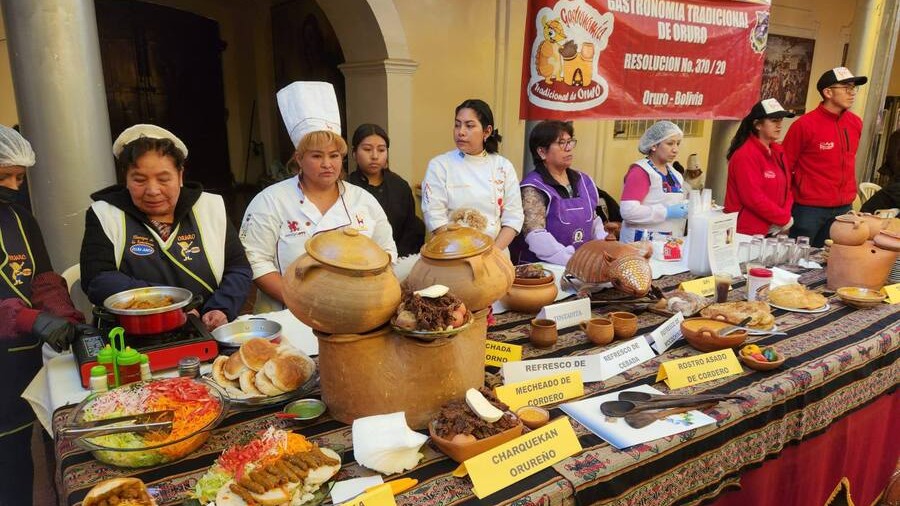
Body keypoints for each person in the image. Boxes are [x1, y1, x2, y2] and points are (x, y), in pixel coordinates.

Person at [241, 82, 397, 312]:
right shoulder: (270, 201)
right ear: (299, 158)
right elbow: (255, 260)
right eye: (316, 156)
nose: (327, 164)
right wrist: (299, 300)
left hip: (357, 310)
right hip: (288, 312)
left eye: (334, 155)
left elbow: (387, 252)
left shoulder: (362, 201)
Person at [80, 124, 251, 331]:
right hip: (133, 334)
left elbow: (238, 268)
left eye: (163, 179)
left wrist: (221, 308)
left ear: (180, 176)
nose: (152, 190)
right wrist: (171, 305)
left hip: (208, 330)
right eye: (140, 180)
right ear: (126, 178)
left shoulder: (210, 207)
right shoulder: (105, 214)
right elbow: (97, 279)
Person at [0, 125, 89, 506]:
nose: (14, 186)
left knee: (16, 461)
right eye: (4, 176)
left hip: (17, 368)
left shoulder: (21, 219)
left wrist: (63, 315)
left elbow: (45, 280)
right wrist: (27, 319)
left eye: (18, 177)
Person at [783, 66, 868, 247]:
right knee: (796, 263)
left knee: (829, 263)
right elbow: (784, 167)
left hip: (844, 208)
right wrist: (786, 207)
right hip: (809, 209)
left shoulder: (855, 123)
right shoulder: (804, 125)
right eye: (846, 88)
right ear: (828, 92)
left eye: (853, 88)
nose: (852, 93)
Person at [421, 99, 523, 250]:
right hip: (451, 253)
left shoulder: (502, 167)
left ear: (487, 131)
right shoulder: (440, 165)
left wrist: (492, 252)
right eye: (457, 125)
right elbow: (434, 216)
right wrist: (462, 252)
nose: (460, 132)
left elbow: (513, 217)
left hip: (496, 253)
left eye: (469, 126)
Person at [510, 120, 608, 265]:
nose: (568, 148)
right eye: (561, 143)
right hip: (544, 270)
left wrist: (604, 246)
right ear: (542, 152)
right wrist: (572, 261)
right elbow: (535, 235)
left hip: (583, 266)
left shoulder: (584, 181)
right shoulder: (533, 188)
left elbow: (593, 221)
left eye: (570, 142)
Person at [346, 123, 424, 257]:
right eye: (367, 149)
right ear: (354, 153)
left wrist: (394, 260)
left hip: (397, 261)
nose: (375, 156)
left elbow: (410, 229)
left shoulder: (400, 186)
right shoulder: (346, 187)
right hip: (356, 259)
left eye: (381, 150)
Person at [724, 98, 796, 236]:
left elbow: (788, 189)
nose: (780, 125)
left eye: (780, 120)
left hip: (774, 229)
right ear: (757, 125)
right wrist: (782, 218)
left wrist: (784, 217)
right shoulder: (745, 155)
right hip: (746, 231)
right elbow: (752, 197)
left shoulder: (778, 151)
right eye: (774, 120)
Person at [619, 120, 688, 243]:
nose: (675, 149)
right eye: (670, 143)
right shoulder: (641, 172)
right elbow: (628, 211)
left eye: (678, 143)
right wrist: (666, 212)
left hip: (668, 243)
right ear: (653, 145)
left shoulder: (676, 175)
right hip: (640, 244)